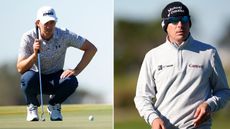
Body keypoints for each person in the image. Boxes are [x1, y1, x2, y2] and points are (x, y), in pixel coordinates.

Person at [134, 1, 230, 129]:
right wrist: (153, 118)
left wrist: (209, 105)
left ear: (189, 23)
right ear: (165, 25)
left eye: (184, 19)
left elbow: (223, 91)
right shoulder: (152, 56)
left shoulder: (209, 53)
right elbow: (142, 97)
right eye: (174, 20)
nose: (180, 25)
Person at [17, 6, 97, 121]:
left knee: (71, 81)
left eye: (52, 22)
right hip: (36, 78)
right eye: (46, 23)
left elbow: (91, 48)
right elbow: (20, 68)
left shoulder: (64, 34)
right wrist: (34, 55)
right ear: (38, 23)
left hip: (56, 78)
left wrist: (76, 70)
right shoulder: (28, 37)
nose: (49, 26)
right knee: (26, 78)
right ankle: (32, 106)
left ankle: (54, 104)